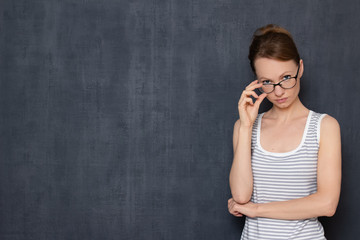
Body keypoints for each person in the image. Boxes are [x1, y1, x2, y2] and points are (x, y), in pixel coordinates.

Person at [228, 24, 342, 239]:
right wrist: (245, 127)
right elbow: (241, 196)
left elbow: (327, 204)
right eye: (267, 82)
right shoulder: (244, 127)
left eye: (286, 77)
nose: (278, 91)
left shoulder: (324, 127)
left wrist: (258, 210)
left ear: (300, 68)